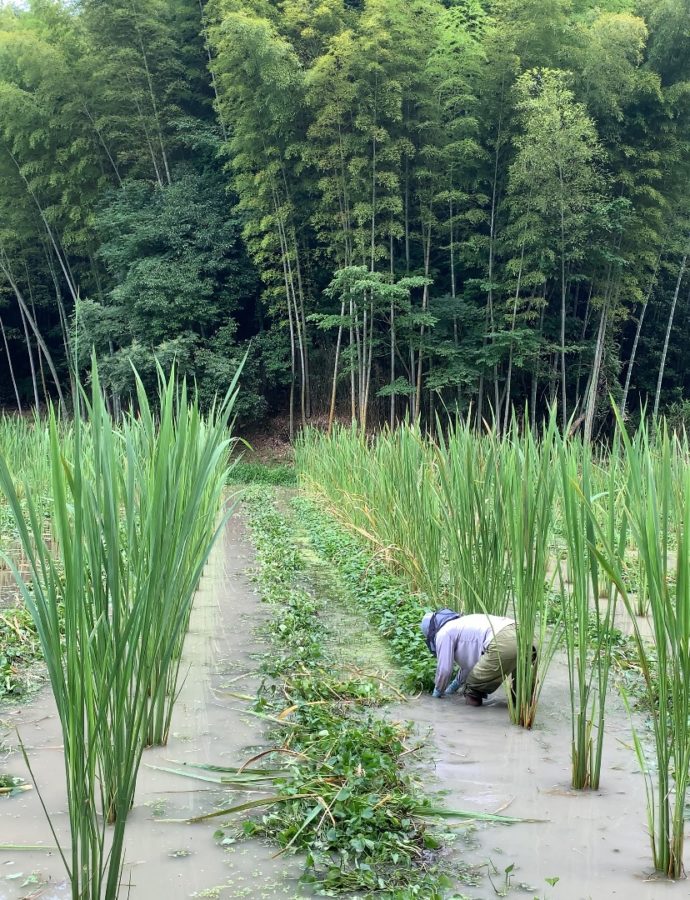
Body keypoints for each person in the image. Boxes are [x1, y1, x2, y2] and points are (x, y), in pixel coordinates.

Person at [420, 609, 518, 706]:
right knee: (520, 692)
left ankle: (474, 719)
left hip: (503, 640)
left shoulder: (444, 632)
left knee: (472, 688)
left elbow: (445, 670)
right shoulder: (463, 623)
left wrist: (437, 694)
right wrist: (455, 685)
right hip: (524, 632)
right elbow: (470, 666)